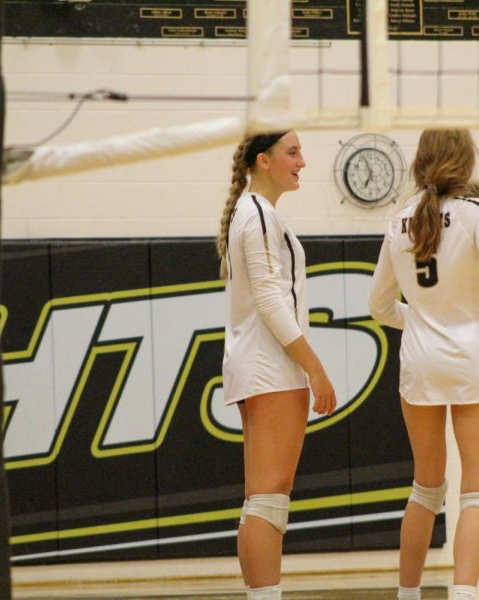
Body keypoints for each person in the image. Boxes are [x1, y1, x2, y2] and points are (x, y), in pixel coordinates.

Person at [368, 129, 479, 600]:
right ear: (467, 162)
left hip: (420, 364)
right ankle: (462, 594)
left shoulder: (399, 217)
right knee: (478, 491)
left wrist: (421, 320)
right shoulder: (476, 210)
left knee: (426, 486)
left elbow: (378, 306)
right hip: (472, 363)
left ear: (420, 162)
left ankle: (407, 593)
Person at [217, 131, 337, 600]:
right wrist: (315, 368)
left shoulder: (256, 213)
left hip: (261, 367)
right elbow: (270, 299)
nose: (302, 162)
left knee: (261, 501)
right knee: (268, 501)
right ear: (263, 161)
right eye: (293, 153)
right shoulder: (258, 215)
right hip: (271, 368)